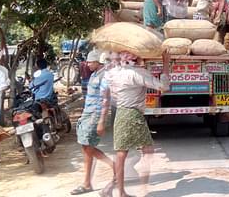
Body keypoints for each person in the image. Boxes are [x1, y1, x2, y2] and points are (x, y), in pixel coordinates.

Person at [97, 51, 171, 197]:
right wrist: (166, 63)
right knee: (147, 151)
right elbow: (164, 86)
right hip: (133, 115)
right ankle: (137, 190)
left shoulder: (114, 73)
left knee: (121, 154)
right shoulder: (138, 73)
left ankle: (114, 188)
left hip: (120, 113)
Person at [70, 50, 114, 195]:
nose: (88, 64)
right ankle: (111, 167)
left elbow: (106, 99)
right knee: (86, 146)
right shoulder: (95, 74)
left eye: (90, 62)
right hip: (88, 113)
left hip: (95, 115)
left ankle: (89, 182)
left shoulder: (104, 76)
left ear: (98, 62)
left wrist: (101, 120)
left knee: (87, 146)